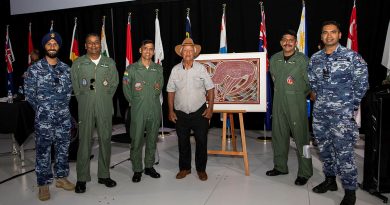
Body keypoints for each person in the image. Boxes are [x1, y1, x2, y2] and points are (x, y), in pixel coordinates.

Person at [308, 21, 368, 205]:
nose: (329, 36)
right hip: (320, 114)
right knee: (324, 149)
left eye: (333, 32)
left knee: (344, 153)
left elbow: (362, 83)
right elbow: (312, 83)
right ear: (321, 36)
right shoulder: (315, 58)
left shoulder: (352, 57)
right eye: (325, 32)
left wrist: (350, 105)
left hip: (342, 115)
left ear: (340, 35)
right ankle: (330, 180)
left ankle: (350, 191)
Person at [24, 32, 75, 201]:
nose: (52, 46)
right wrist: (43, 109)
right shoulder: (34, 69)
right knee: (43, 151)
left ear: (59, 47)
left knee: (63, 148)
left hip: (63, 117)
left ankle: (61, 178)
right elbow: (30, 95)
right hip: (44, 118)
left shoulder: (66, 69)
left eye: (55, 44)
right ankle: (44, 184)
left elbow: (69, 93)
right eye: (49, 44)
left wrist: (60, 109)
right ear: (44, 47)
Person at [71, 33, 119, 193]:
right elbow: (76, 87)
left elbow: (114, 83)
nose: (93, 46)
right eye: (90, 43)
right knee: (84, 142)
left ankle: (104, 175)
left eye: (96, 43)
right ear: (85, 45)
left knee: (105, 140)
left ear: (100, 45)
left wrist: (103, 98)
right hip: (85, 108)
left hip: (104, 106)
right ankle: (82, 178)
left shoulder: (109, 63)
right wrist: (86, 100)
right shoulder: (78, 63)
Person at [265, 29, 313, 186]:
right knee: (278, 136)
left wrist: (296, 94)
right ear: (281, 42)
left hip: (296, 104)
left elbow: (309, 85)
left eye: (291, 40)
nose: (287, 42)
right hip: (278, 103)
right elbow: (274, 79)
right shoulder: (275, 59)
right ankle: (280, 167)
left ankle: (305, 172)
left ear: (295, 42)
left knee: (302, 139)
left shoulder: (303, 60)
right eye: (284, 40)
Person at [167, 38, 214, 181]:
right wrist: (170, 111)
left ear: (194, 53)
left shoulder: (201, 69)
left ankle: (201, 169)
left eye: (190, 50)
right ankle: (185, 168)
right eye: (185, 50)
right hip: (181, 113)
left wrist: (210, 108)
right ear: (181, 53)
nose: (188, 53)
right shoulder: (175, 70)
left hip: (200, 112)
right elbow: (170, 91)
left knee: (201, 142)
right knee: (183, 142)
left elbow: (210, 89)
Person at [122, 40, 164, 183]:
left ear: (153, 52)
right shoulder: (132, 69)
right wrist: (135, 102)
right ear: (140, 50)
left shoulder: (158, 69)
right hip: (138, 109)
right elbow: (126, 89)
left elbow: (160, 86)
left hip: (154, 107)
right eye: (145, 48)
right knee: (137, 139)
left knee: (152, 139)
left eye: (151, 49)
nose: (148, 51)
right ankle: (137, 169)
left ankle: (149, 166)